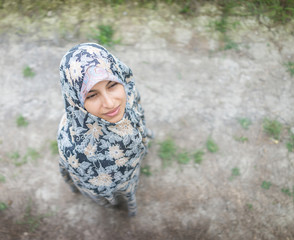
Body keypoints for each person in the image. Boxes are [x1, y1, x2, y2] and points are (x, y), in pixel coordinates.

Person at [57, 43, 152, 216]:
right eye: (92, 95)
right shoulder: (75, 149)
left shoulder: (129, 95)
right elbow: (98, 187)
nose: (110, 103)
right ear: (76, 102)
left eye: (112, 85)